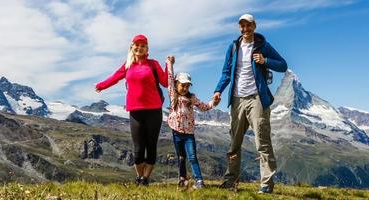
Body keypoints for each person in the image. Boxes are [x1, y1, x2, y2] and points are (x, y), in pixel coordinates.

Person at [212, 14, 288, 193]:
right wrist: (218, 91)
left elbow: (283, 65)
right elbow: (226, 72)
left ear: (254, 26)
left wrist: (265, 61)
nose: (245, 29)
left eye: (248, 25)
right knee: (234, 143)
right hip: (237, 99)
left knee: (262, 142)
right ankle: (231, 181)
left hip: (257, 99)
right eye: (242, 26)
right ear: (239, 28)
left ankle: (266, 185)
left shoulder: (263, 46)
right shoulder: (233, 47)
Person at [95, 34, 168, 186]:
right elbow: (115, 77)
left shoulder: (153, 64)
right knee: (138, 148)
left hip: (154, 110)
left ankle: (145, 178)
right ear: (132, 47)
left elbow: (165, 82)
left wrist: (168, 65)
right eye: (137, 45)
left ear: (147, 49)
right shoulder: (127, 65)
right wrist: (102, 85)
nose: (139, 48)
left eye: (143, 46)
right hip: (135, 110)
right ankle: (139, 176)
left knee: (151, 145)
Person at [166, 55, 215, 189]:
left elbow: (203, 107)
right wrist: (169, 63)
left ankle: (199, 180)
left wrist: (213, 103)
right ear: (176, 84)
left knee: (192, 156)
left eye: (187, 86)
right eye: (182, 85)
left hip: (188, 134)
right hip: (176, 132)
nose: (185, 88)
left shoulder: (191, 97)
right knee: (181, 157)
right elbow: (169, 78)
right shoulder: (173, 95)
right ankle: (183, 179)